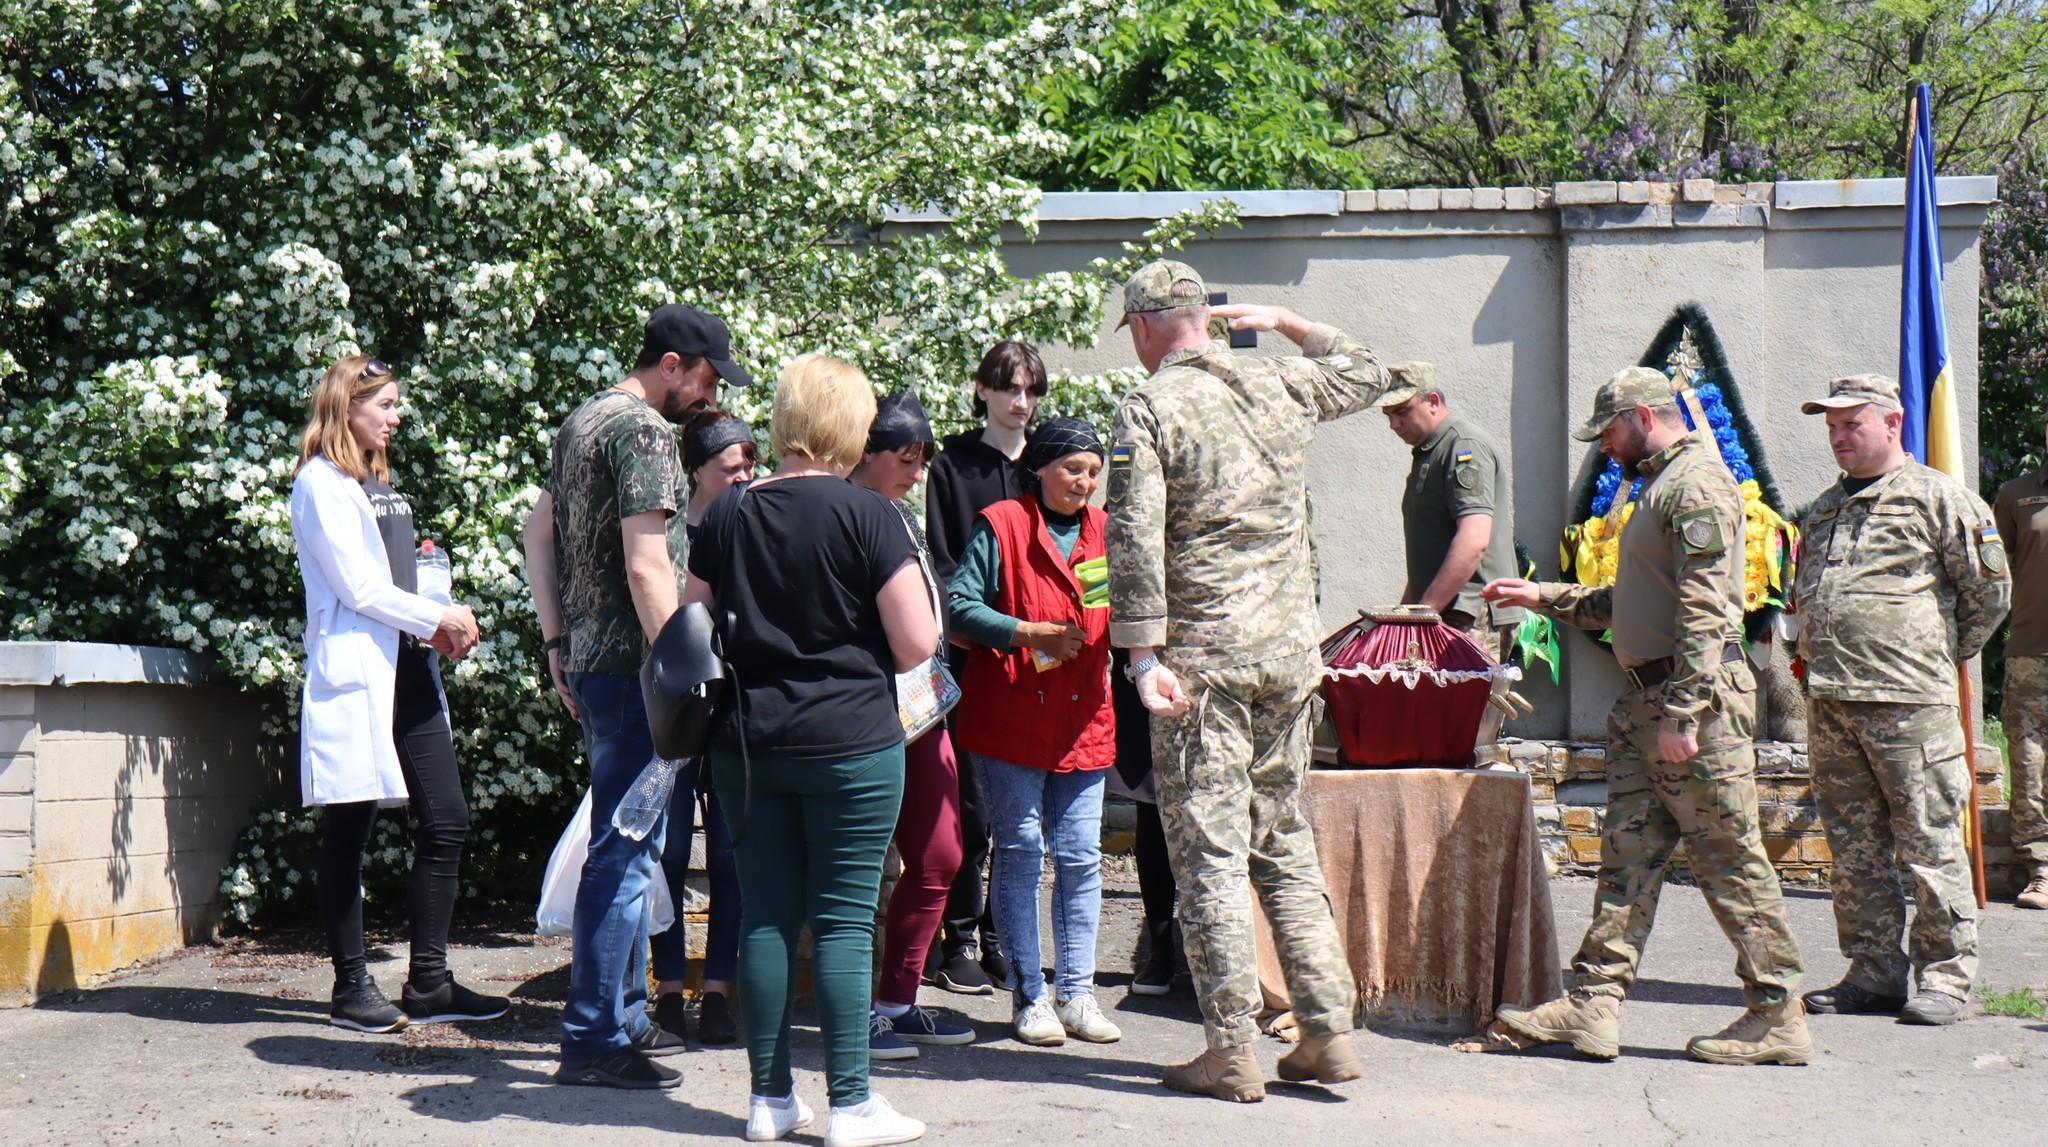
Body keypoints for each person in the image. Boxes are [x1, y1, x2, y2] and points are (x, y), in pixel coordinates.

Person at [1480, 366, 1811, 1065]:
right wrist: (1545, 596)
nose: (1604, 447)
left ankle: (1777, 1013)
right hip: (1647, 702)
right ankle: (1594, 1005)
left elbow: (1702, 609)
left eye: (1607, 431)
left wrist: (1686, 714)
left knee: (1730, 859)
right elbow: (1632, 600)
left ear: (1640, 415)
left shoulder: (1695, 485)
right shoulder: (1657, 486)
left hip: (1689, 703)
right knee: (1626, 863)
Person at [1104, 259, 1375, 1102]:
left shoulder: (1150, 404)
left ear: (1149, 326)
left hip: (1204, 666)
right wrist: (1289, 321)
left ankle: (1230, 1048)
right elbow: (1369, 373)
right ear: (1207, 319)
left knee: (1211, 855)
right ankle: (1327, 1029)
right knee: (1283, 838)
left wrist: (1141, 656)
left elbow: (1134, 538)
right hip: (1289, 655)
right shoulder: (1279, 384)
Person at [685, 354, 937, 1147]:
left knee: (764, 915)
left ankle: (768, 1100)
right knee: (841, 921)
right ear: (851, 425)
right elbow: (917, 642)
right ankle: (852, 1105)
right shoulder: (872, 515)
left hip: (749, 747)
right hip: (852, 743)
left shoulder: (726, 513)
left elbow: (692, 631)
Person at [521, 304, 745, 1089]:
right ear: (675, 362)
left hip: (593, 663)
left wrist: (556, 641)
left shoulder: (582, 421)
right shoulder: (645, 431)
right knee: (626, 854)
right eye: (709, 377)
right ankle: (590, 1037)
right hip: (634, 674)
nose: (710, 396)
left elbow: (535, 532)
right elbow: (650, 567)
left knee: (622, 848)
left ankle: (614, 1019)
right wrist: (680, 677)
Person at [287, 353, 505, 1033]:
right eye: (385, 404)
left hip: (407, 670)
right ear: (347, 406)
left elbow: (403, 579)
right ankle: (351, 986)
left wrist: (433, 620)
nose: (396, 414)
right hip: (358, 673)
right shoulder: (321, 484)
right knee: (348, 830)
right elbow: (358, 588)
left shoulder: (372, 483)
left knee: (447, 818)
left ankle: (431, 981)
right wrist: (437, 618)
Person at [1791, 374, 2011, 1026]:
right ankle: (1874, 971)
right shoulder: (1826, 506)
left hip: (1911, 704)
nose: (1837, 436)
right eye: (1831, 426)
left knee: (1931, 844)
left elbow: (1989, 597)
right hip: (1833, 701)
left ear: (1892, 423)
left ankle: (1945, 976)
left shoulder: (1939, 499)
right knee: (1855, 850)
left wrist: (1928, 656)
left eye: (1850, 424)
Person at [951, 417, 1122, 1048]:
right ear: (1041, 469)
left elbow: (1125, 611)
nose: (1085, 482)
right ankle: (1030, 995)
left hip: (1085, 717)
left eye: (1093, 473)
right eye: (1074, 469)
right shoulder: (1001, 524)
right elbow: (959, 606)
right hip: (1013, 716)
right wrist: (1029, 633)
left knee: (1080, 858)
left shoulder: (1105, 533)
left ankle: (1077, 993)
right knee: (1021, 854)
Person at [849, 393, 976, 1060]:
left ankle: (896, 1000)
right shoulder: (846, 512)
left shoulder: (898, 511)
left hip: (923, 706)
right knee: (861, 868)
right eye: (906, 456)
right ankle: (854, 1015)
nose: (917, 469)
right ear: (866, 452)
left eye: (924, 457)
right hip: (864, 709)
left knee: (940, 854)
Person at [919, 341, 1043, 994]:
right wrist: (977, 631)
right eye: (1008, 388)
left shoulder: (1048, 462)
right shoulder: (953, 465)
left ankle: (1005, 935)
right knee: (968, 801)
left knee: (1020, 806)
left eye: (1030, 390)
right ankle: (959, 935)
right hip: (972, 657)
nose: (1020, 402)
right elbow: (941, 563)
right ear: (982, 390)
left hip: (1037, 662)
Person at [642, 412, 757, 1048]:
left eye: (750, 463)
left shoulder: (753, 525)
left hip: (735, 709)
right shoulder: (669, 534)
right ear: (696, 472)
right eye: (730, 466)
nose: (743, 475)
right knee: (670, 850)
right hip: (682, 711)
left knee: (732, 852)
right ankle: (665, 992)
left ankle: (717, 990)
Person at [1377, 362, 1524, 731]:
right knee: (1435, 731)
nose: (1395, 425)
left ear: (1433, 401)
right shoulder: (1431, 452)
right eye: (1389, 416)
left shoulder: (1463, 447)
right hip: (1446, 614)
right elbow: (1429, 554)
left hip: (1469, 614)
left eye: (1402, 412)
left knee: (1462, 735)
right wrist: (1403, 618)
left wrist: (1424, 614)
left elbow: (1474, 540)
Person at [1996, 417, 2048, 910]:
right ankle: (2041, 869)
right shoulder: (2017, 495)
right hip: (2031, 652)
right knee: (2029, 764)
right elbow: (1997, 573)